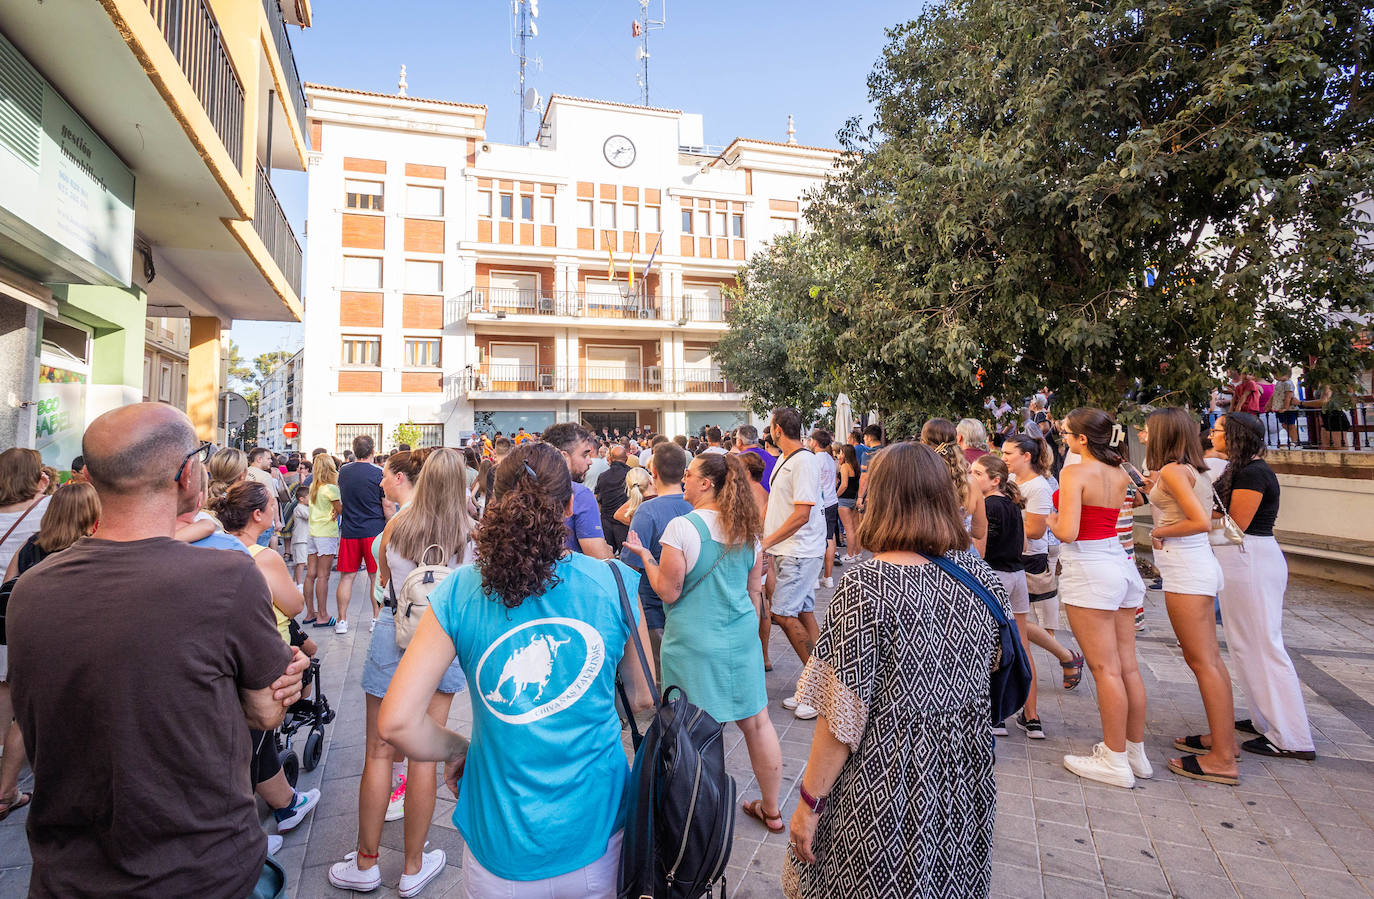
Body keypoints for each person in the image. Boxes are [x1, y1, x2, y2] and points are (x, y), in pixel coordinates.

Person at [7, 403, 307, 897]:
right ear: (187, 473)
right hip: (199, 867)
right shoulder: (226, 578)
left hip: (66, 872)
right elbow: (265, 713)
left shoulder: (31, 588)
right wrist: (285, 680)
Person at [376, 443, 653, 898]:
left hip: (499, 844)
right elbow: (643, 698)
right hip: (598, 832)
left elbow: (396, 721)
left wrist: (457, 749)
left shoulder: (460, 590)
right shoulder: (615, 580)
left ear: (493, 501)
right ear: (568, 507)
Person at [783, 442, 1002, 898]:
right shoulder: (980, 575)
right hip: (963, 772)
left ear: (881, 498)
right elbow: (994, 665)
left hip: (886, 778)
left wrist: (808, 803)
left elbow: (841, 718)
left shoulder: (868, 585)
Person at [329, 448, 471, 896]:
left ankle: (366, 862)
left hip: (395, 632)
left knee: (378, 751)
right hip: (445, 640)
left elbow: (383, 579)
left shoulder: (398, 526)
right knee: (425, 753)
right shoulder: (471, 535)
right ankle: (413, 866)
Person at [623, 451, 783, 836]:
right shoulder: (747, 528)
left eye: (690, 475)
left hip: (692, 641)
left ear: (706, 483)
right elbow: (753, 593)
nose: (685, 481)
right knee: (757, 723)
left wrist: (646, 557)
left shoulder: (682, 528)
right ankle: (773, 810)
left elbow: (669, 591)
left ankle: (695, 813)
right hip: (739, 636)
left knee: (690, 730)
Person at [1047, 409, 1150, 789]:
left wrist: (1048, 519)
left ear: (1083, 439)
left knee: (1105, 669)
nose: (1063, 439)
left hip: (1090, 566)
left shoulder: (1074, 473)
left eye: (1066, 433)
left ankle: (1114, 758)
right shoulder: (1120, 471)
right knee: (1127, 666)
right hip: (1119, 562)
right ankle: (1134, 751)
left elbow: (1069, 531)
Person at [214, 481, 322, 839]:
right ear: (257, 515)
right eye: (273, 504)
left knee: (252, 740)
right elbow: (294, 606)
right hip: (264, 652)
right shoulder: (263, 557)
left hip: (223, 652)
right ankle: (245, 831)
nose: (279, 509)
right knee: (254, 740)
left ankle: (285, 804)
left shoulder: (211, 545)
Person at [1209, 413, 1315, 761]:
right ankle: (1265, 719)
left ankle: (1292, 736)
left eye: (1219, 429)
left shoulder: (1254, 473)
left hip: (1251, 558)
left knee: (1265, 645)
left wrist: (1190, 524)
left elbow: (1235, 524)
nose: (1213, 433)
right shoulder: (1240, 469)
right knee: (1244, 645)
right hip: (1241, 560)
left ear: (1236, 436)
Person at [1143, 408, 1236, 785]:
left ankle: (1222, 758)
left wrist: (1161, 532)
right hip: (1196, 564)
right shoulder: (1190, 469)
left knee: (1203, 661)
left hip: (1186, 568)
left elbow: (1198, 520)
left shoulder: (1171, 471)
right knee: (1208, 659)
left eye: (1147, 429)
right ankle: (1223, 741)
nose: (1142, 434)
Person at [0, 479, 97, 820]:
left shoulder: (29, 546)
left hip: (31, 644)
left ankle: (5, 792)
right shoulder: (92, 548)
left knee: (25, 720)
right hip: (78, 649)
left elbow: (9, 592)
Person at [763, 407, 828, 721]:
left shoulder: (803, 461)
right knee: (802, 612)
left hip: (800, 551)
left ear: (776, 429)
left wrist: (766, 541)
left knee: (782, 613)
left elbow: (802, 514)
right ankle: (825, 683)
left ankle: (818, 691)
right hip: (791, 551)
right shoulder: (787, 459)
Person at [621, 442, 693, 673]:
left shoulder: (647, 511)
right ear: (684, 472)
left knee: (662, 674)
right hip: (689, 603)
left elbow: (630, 565)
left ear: (654, 474)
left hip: (654, 606)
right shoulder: (695, 505)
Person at [336, 435, 389, 635]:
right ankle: (375, 618)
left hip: (350, 530)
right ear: (372, 451)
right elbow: (386, 505)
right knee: (376, 577)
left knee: (346, 577)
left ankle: (342, 620)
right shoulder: (378, 473)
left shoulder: (343, 472)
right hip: (374, 530)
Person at [543, 422, 612, 559]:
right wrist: (607, 550)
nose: (590, 461)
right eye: (585, 455)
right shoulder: (580, 494)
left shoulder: (521, 490)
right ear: (564, 457)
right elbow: (602, 560)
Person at [921, 419, 988, 557]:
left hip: (926, 557)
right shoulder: (971, 483)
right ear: (956, 439)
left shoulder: (918, 479)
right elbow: (979, 532)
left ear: (923, 443)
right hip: (964, 558)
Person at [304, 453, 342, 628]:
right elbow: (341, 509)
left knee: (310, 574)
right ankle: (323, 615)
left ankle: (310, 613)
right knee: (323, 576)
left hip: (312, 532)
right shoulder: (331, 488)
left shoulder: (313, 486)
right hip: (326, 533)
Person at [809, 429, 841, 589]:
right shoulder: (830, 458)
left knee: (816, 539)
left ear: (815, 442)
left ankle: (814, 578)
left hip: (820, 503)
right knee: (830, 538)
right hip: (832, 501)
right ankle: (828, 577)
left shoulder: (815, 459)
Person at [595, 444, 633, 551]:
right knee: (625, 555)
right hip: (624, 521)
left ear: (610, 459)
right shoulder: (631, 474)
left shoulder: (602, 476)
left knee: (608, 556)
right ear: (626, 459)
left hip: (606, 520)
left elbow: (597, 499)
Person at [245, 447, 281, 548]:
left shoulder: (242, 473)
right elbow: (272, 500)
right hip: (261, 519)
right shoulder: (265, 476)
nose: (271, 461)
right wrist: (277, 521)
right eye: (268, 458)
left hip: (245, 519)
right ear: (259, 459)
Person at [836, 443, 862, 563]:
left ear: (845, 454)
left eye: (841, 452)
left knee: (849, 529)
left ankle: (850, 555)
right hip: (853, 499)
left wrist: (835, 495)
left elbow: (844, 484)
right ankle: (858, 553)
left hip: (844, 500)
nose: (839, 455)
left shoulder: (845, 466)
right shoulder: (855, 466)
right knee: (856, 528)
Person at [1268, 366, 1300, 446]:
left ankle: (1295, 441)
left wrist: (1285, 407)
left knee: (1291, 425)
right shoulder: (1279, 383)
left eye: (1276, 375)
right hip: (1280, 408)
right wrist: (1269, 405)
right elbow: (1273, 395)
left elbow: (1288, 396)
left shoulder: (1288, 383)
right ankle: (1292, 440)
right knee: (1284, 424)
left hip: (1289, 409)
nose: (1275, 377)